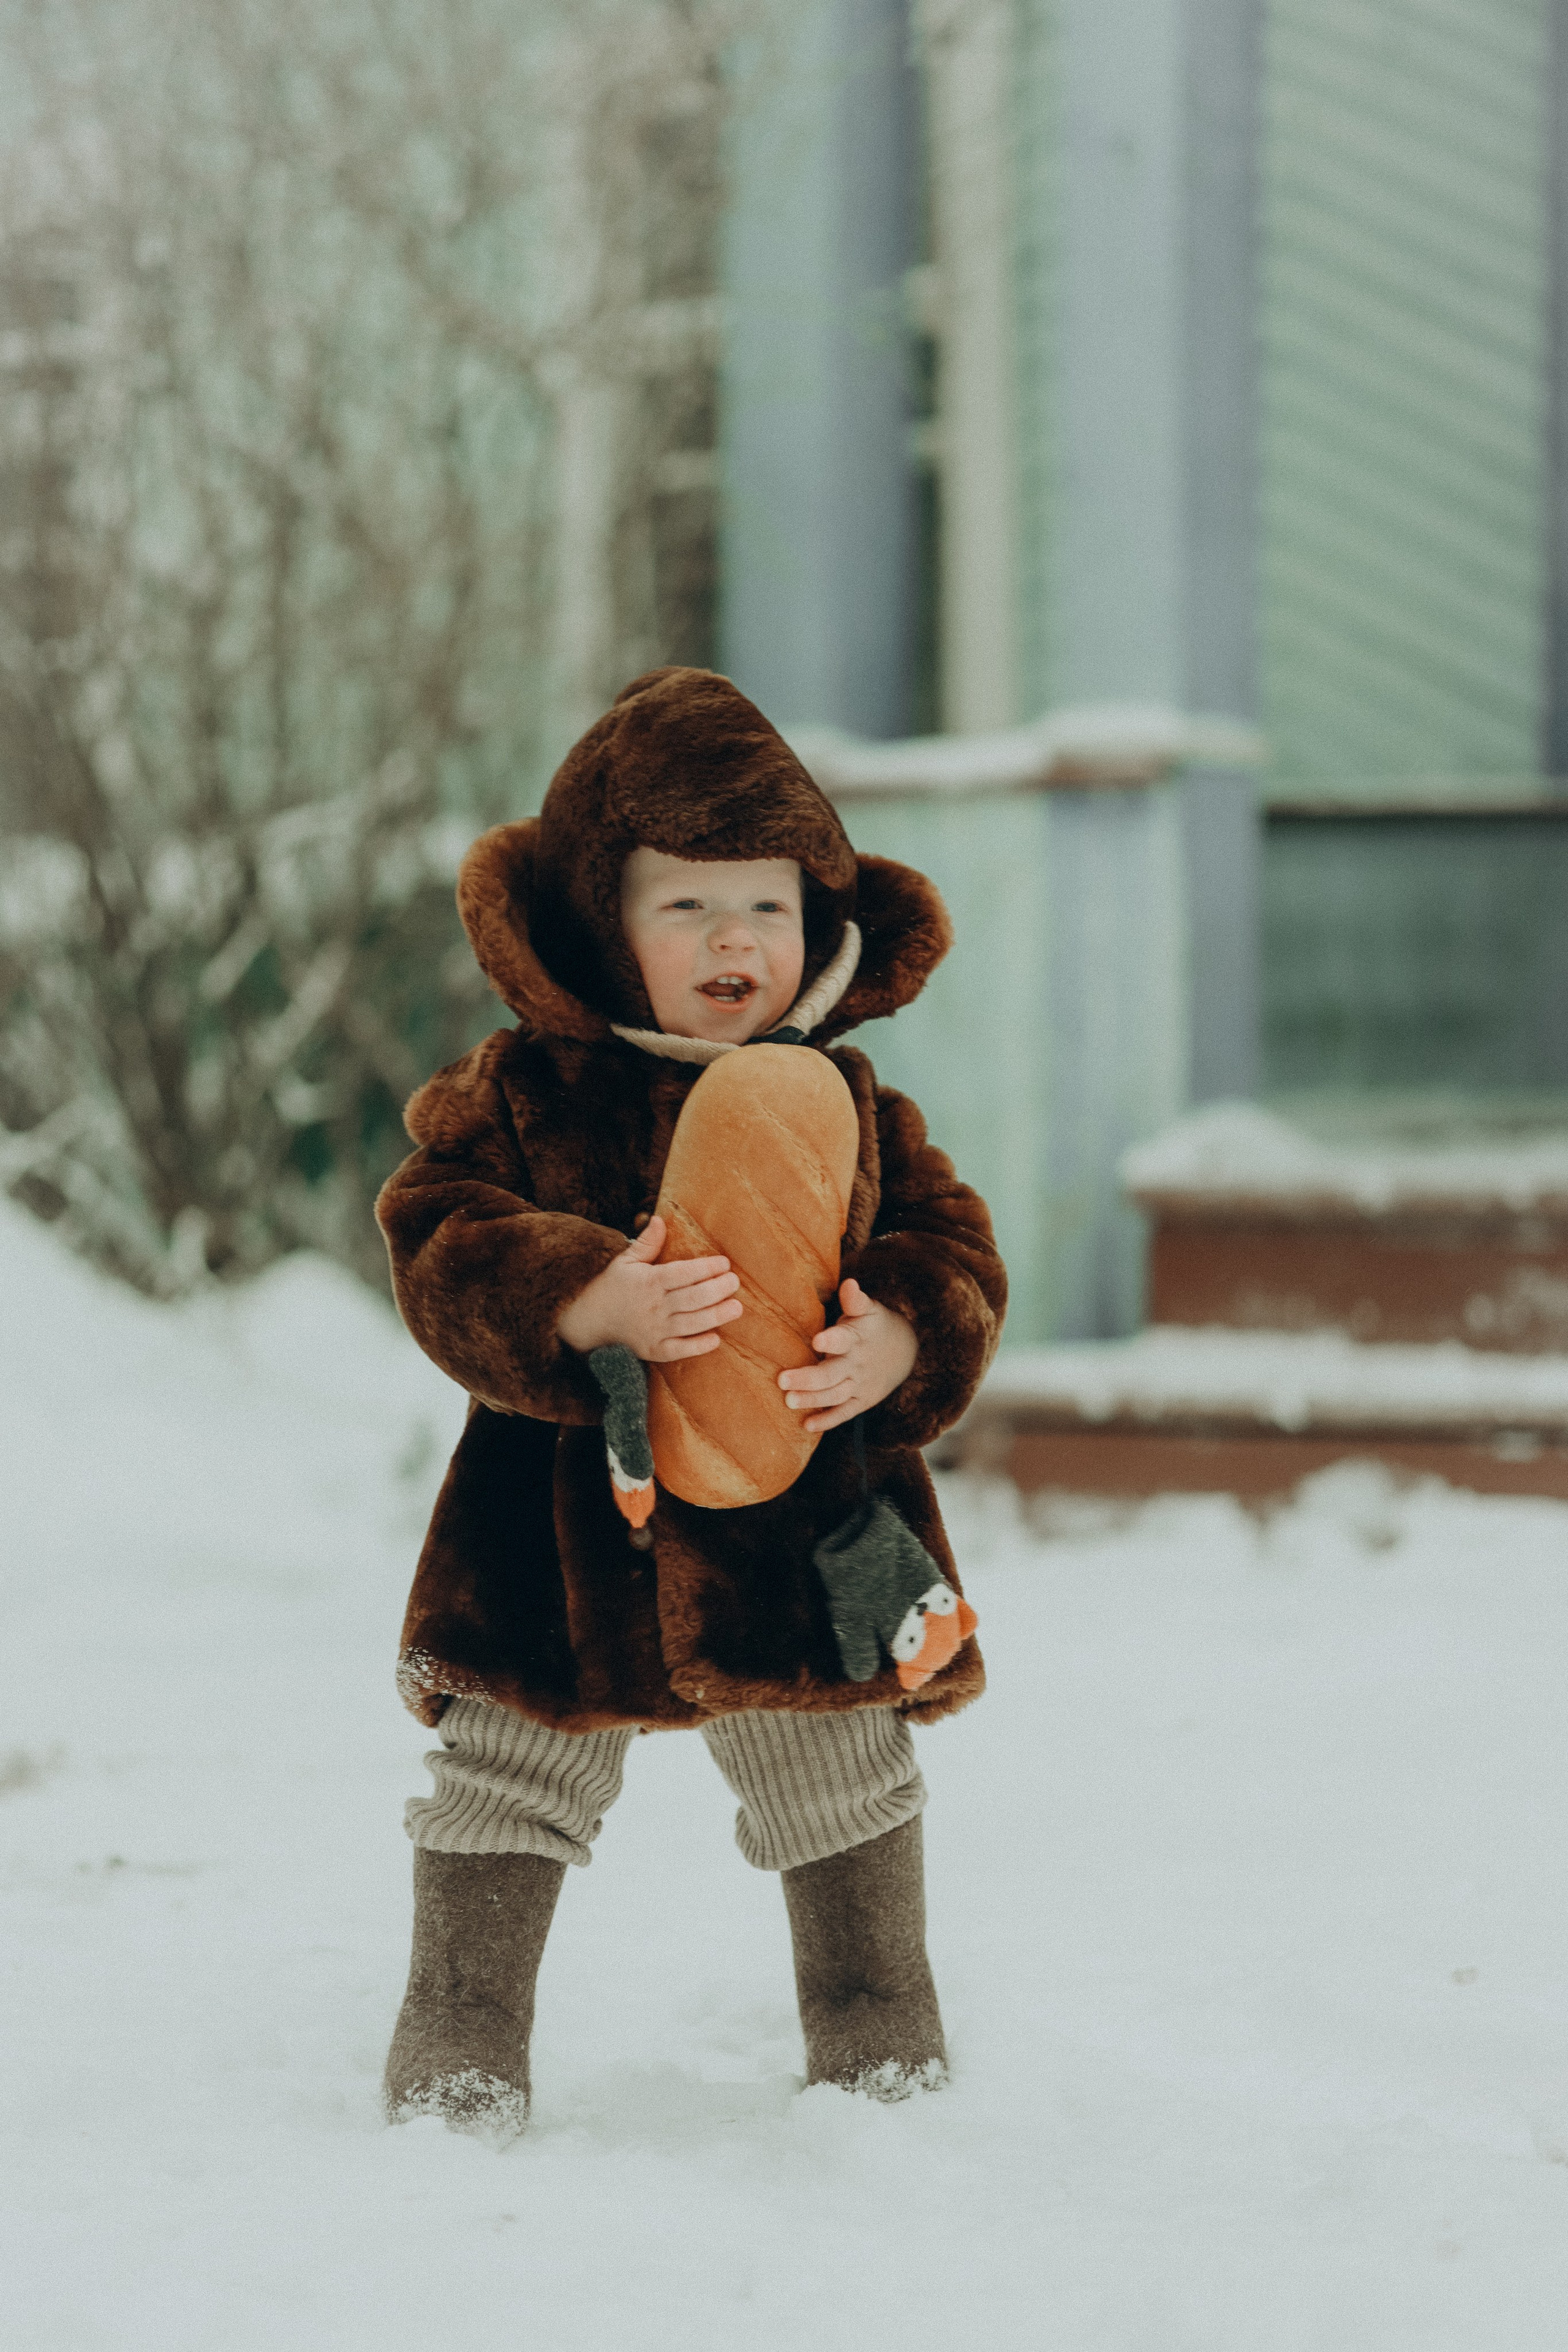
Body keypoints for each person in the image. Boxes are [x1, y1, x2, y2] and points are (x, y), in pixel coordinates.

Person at [376, 666, 1006, 2138]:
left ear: (817, 924)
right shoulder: (525, 1094)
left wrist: (901, 1338)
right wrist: (580, 1301)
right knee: (506, 1771)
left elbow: (952, 1249)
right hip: (555, 1528)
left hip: (800, 1528)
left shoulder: (849, 1104)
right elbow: (435, 1231)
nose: (734, 939)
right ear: (602, 926)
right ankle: (459, 2044)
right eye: (686, 906)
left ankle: (878, 2051)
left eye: (766, 906)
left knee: (841, 1773)